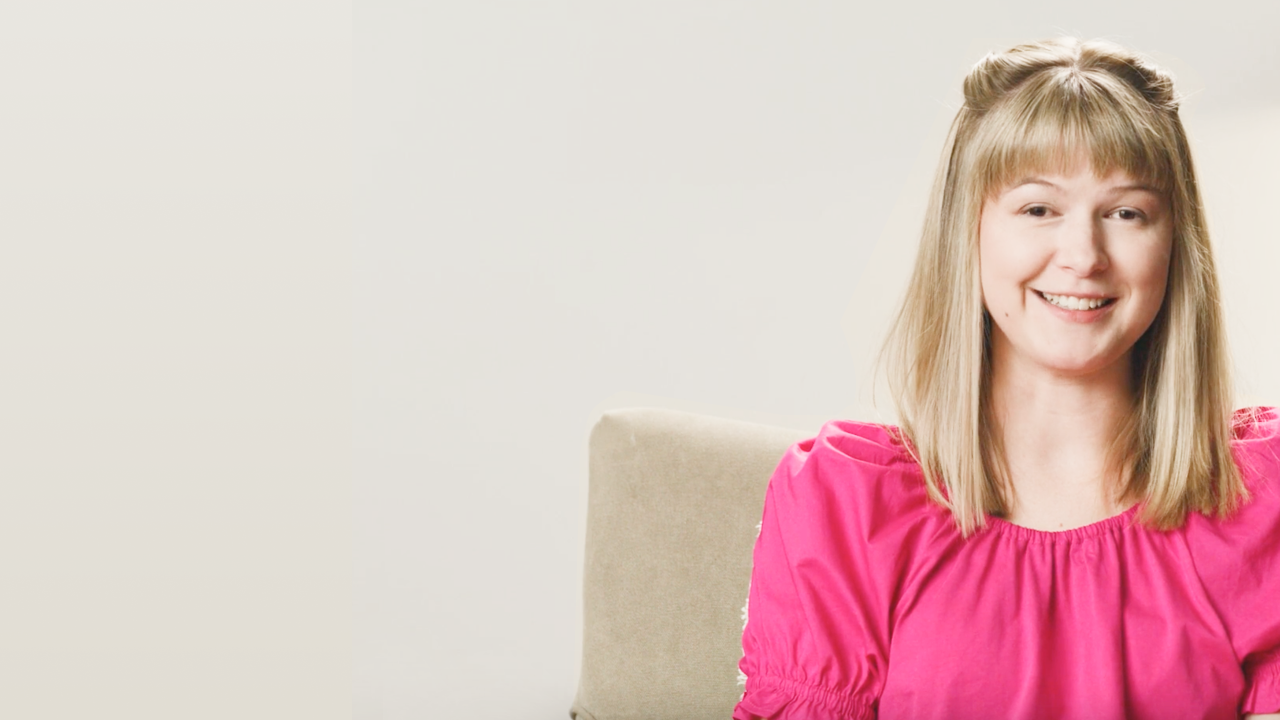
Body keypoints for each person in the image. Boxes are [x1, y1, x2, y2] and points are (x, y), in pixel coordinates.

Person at [733, 37, 1280, 720]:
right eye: (1038, 209)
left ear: (1175, 244)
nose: (1083, 256)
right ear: (970, 232)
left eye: (1127, 212)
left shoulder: (1261, 499)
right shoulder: (845, 505)